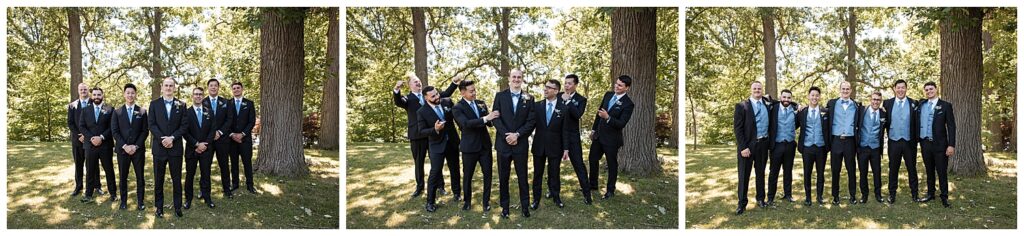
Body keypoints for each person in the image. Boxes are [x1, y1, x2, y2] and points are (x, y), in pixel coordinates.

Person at [393, 74, 459, 198]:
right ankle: (420, 187)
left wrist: (454, 83)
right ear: (409, 85)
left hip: (435, 135)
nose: (418, 83)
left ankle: (440, 186)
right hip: (418, 135)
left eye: (418, 81)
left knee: (436, 162)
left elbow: (445, 94)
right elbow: (398, 102)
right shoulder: (408, 98)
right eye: (414, 82)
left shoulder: (432, 96)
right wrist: (397, 89)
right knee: (419, 162)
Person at [492, 69, 536, 218]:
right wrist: (507, 135)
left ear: (522, 79)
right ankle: (505, 207)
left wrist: (517, 134)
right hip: (503, 144)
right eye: (514, 77)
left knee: (522, 177)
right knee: (503, 177)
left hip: (520, 143)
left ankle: (525, 206)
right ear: (509, 79)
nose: (516, 79)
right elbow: (495, 118)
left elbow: (531, 121)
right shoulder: (500, 96)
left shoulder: (529, 98)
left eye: (519, 77)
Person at [451, 80, 499, 212]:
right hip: (469, 147)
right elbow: (465, 124)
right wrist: (485, 119)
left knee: (488, 174)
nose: (474, 93)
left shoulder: (481, 103)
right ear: (462, 92)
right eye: (471, 91)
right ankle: (467, 202)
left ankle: (486, 201)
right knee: (468, 176)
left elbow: (489, 122)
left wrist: (495, 118)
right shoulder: (457, 108)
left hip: (484, 146)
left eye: (474, 90)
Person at [589, 75, 635, 200]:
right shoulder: (608, 95)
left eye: (620, 85)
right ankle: (592, 185)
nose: (616, 86)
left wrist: (608, 117)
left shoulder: (628, 104)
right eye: (616, 83)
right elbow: (599, 114)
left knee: (612, 165)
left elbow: (621, 123)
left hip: (612, 140)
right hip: (598, 136)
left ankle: (610, 191)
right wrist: (593, 130)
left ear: (627, 88)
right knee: (592, 159)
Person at [148, 77, 189, 218]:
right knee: (158, 179)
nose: (168, 88)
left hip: (175, 147)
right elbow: (151, 124)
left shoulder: (182, 105)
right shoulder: (154, 104)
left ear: (174, 88)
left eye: (171, 85)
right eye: (166, 85)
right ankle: (159, 207)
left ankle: (178, 206)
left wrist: (172, 138)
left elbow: (184, 126)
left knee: (176, 179)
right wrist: (162, 139)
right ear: (162, 87)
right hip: (159, 148)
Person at [417, 86, 461, 212]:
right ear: (426, 98)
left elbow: (456, 119)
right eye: (433, 96)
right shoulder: (421, 112)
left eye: (437, 94)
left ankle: (457, 194)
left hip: (452, 142)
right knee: (435, 173)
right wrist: (435, 129)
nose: (437, 97)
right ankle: (430, 202)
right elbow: (421, 131)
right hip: (436, 145)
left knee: (455, 169)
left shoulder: (447, 102)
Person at [531, 79, 570, 209]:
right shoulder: (537, 106)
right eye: (545, 87)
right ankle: (536, 199)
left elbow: (565, 130)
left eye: (549, 87)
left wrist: (566, 149)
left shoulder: (563, 108)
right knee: (537, 174)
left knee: (554, 173)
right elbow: (530, 125)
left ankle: (556, 196)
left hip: (555, 146)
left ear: (556, 91)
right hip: (539, 146)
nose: (545, 89)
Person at [732, 81, 770, 215]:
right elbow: (738, 129)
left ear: (762, 90)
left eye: (759, 88)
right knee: (744, 175)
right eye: (755, 88)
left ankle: (760, 199)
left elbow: (783, 101)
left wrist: (798, 105)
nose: (757, 90)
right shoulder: (742, 106)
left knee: (760, 173)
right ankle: (742, 204)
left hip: (763, 145)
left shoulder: (767, 103)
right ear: (751, 90)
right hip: (747, 147)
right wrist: (743, 147)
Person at [916, 81, 955, 208]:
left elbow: (951, 126)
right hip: (925, 143)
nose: (929, 91)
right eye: (926, 90)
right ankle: (930, 194)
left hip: (940, 145)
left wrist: (951, 145)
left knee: (942, 171)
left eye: (931, 89)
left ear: (936, 89)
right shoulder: (921, 105)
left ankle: (944, 197)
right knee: (929, 170)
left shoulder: (945, 106)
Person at [111, 83, 148, 210]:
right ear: (124, 94)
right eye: (128, 93)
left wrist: (136, 146)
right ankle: (123, 201)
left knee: (140, 177)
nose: (130, 95)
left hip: (138, 151)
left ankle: (140, 201)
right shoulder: (117, 112)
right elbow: (115, 131)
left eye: (132, 93)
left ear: (135, 94)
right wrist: (125, 146)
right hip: (123, 150)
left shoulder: (142, 111)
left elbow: (145, 131)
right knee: (123, 176)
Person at [882, 79, 920, 204]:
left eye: (903, 87)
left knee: (911, 168)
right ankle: (892, 194)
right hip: (894, 141)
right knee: (893, 168)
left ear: (906, 89)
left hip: (909, 142)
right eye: (898, 87)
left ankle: (915, 193)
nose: (900, 90)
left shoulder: (914, 103)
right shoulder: (887, 103)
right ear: (895, 89)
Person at [557, 74, 593, 205]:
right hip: (557, 135)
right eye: (565, 83)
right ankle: (553, 190)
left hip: (572, 136)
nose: (566, 85)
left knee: (579, 165)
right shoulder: (558, 95)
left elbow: (577, 115)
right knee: (553, 164)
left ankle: (587, 194)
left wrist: (569, 101)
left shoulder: (581, 99)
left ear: (575, 85)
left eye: (569, 83)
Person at [78, 87, 116, 203]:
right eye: (94, 95)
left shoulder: (110, 109)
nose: (96, 97)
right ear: (91, 95)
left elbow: (112, 127)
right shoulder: (85, 110)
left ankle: (113, 194)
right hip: (90, 146)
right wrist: (91, 138)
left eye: (99, 95)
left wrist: (101, 137)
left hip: (105, 145)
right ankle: (88, 194)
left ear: (102, 95)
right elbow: (82, 126)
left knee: (109, 170)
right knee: (90, 170)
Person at [826, 81, 860, 205]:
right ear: (840, 90)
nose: (845, 91)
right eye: (843, 89)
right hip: (836, 141)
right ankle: (835, 196)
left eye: (847, 89)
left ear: (851, 91)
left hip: (850, 142)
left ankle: (852, 195)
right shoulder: (832, 104)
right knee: (835, 170)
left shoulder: (856, 105)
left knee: (851, 170)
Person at [796, 86, 830, 206]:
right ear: (808, 96)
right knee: (807, 173)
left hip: (821, 147)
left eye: (817, 95)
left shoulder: (825, 112)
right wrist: (796, 105)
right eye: (812, 95)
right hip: (807, 147)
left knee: (820, 173)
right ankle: (808, 197)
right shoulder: (802, 112)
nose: (814, 97)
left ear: (819, 97)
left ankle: (819, 196)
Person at [202, 79, 236, 198]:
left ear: (218, 87)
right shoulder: (202, 101)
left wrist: (220, 132)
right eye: (211, 85)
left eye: (215, 86)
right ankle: (204, 191)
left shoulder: (226, 102)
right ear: (208, 87)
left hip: (222, 139)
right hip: (208, 140)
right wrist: (211, 134)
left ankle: (227, 189)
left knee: (224, 165)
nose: (213, 87)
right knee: (205, 166)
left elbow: (229, 119)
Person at [68, 83, 103, 196]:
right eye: (81, 89)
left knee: (93, 164)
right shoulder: (72, 105)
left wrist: (87, 136)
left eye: (85, 89)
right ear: (78, 91)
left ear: (88, 91)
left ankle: (97, 186)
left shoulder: (95, 103)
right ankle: (78, 187)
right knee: (78, 164)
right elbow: (70, 123)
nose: (83, 91)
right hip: (77, 140)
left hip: (91, 140)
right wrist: (80, 135)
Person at [185, 87, 216, 209]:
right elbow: (185, 132)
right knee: (190, 175)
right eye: (196, 94)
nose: (198, 96)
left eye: (200, 94)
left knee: (206, 174)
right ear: (192, 96)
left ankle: (207, 197)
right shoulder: (186, 112)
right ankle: (188, 199)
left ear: (203, 97)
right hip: (192, 149)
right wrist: (197, 144)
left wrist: (205, 144)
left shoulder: (209, 111)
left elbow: (212, 130)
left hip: (206, 149)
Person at [766, 89, 798, 205]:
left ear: (791, 99)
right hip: (776, 146)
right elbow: (766, 98)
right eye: (784, 97)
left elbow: (798, 123)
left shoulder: (795, 110)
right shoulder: (773, 108)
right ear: (780, 97)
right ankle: (770, 197)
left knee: (788, 171)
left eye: (789, 98)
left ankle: (788, 194)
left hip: (790, 145)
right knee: (773, 172)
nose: (786, 100)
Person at [227, 82, 258, 194]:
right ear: (232, 90)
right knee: (234, 162)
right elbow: (226, 122)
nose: (236, 90)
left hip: (245, 139)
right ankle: (235, 184)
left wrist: (243, 134)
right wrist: (232, 134)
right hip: (232, 139)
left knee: (247, 162)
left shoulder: (249, 103)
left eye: (238, 88)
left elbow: (252, 121)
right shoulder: (228, 103)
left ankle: (250, 185)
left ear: (242, 89)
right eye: (234, 88)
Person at [856, 91, 886, 203]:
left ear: (880, 101)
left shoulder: (883, 114)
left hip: (875, 148)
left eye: (878, 100)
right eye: (874, 99)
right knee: (863, 172)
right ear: (870, 99)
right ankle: (864, 195)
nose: (875, 102)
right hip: (863, 147)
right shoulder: (861, 111)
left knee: (877, 172)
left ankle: (878, 194)